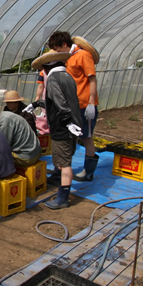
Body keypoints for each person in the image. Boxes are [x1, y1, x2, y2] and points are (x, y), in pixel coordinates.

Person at [32, 51, 82, 209]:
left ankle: (62, 198)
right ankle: (58, 180)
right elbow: (62, 101)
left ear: (47, 68)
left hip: (62, 127)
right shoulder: (68, 77)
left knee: (65, 163)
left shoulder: (53, 78)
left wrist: (66, 121)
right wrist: (37, 104)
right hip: (74, 125)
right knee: (65, 158)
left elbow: (60, 103)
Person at [48, 31, 100, 181]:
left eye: (57, 49)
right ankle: (62, 168)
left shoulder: (83, 55)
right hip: (72, 105)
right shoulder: (67, 59)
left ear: (65, 44)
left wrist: (91, 102)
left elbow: (92, 79)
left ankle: (88, 172)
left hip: (84, 105)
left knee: (86, 137)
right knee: (68, 137)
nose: (56, 53)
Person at [0, 101, 41, 167]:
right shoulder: (5, 114)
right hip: (35, 151)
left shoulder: (4, 124)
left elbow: (2, 148)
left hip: (27, 156)